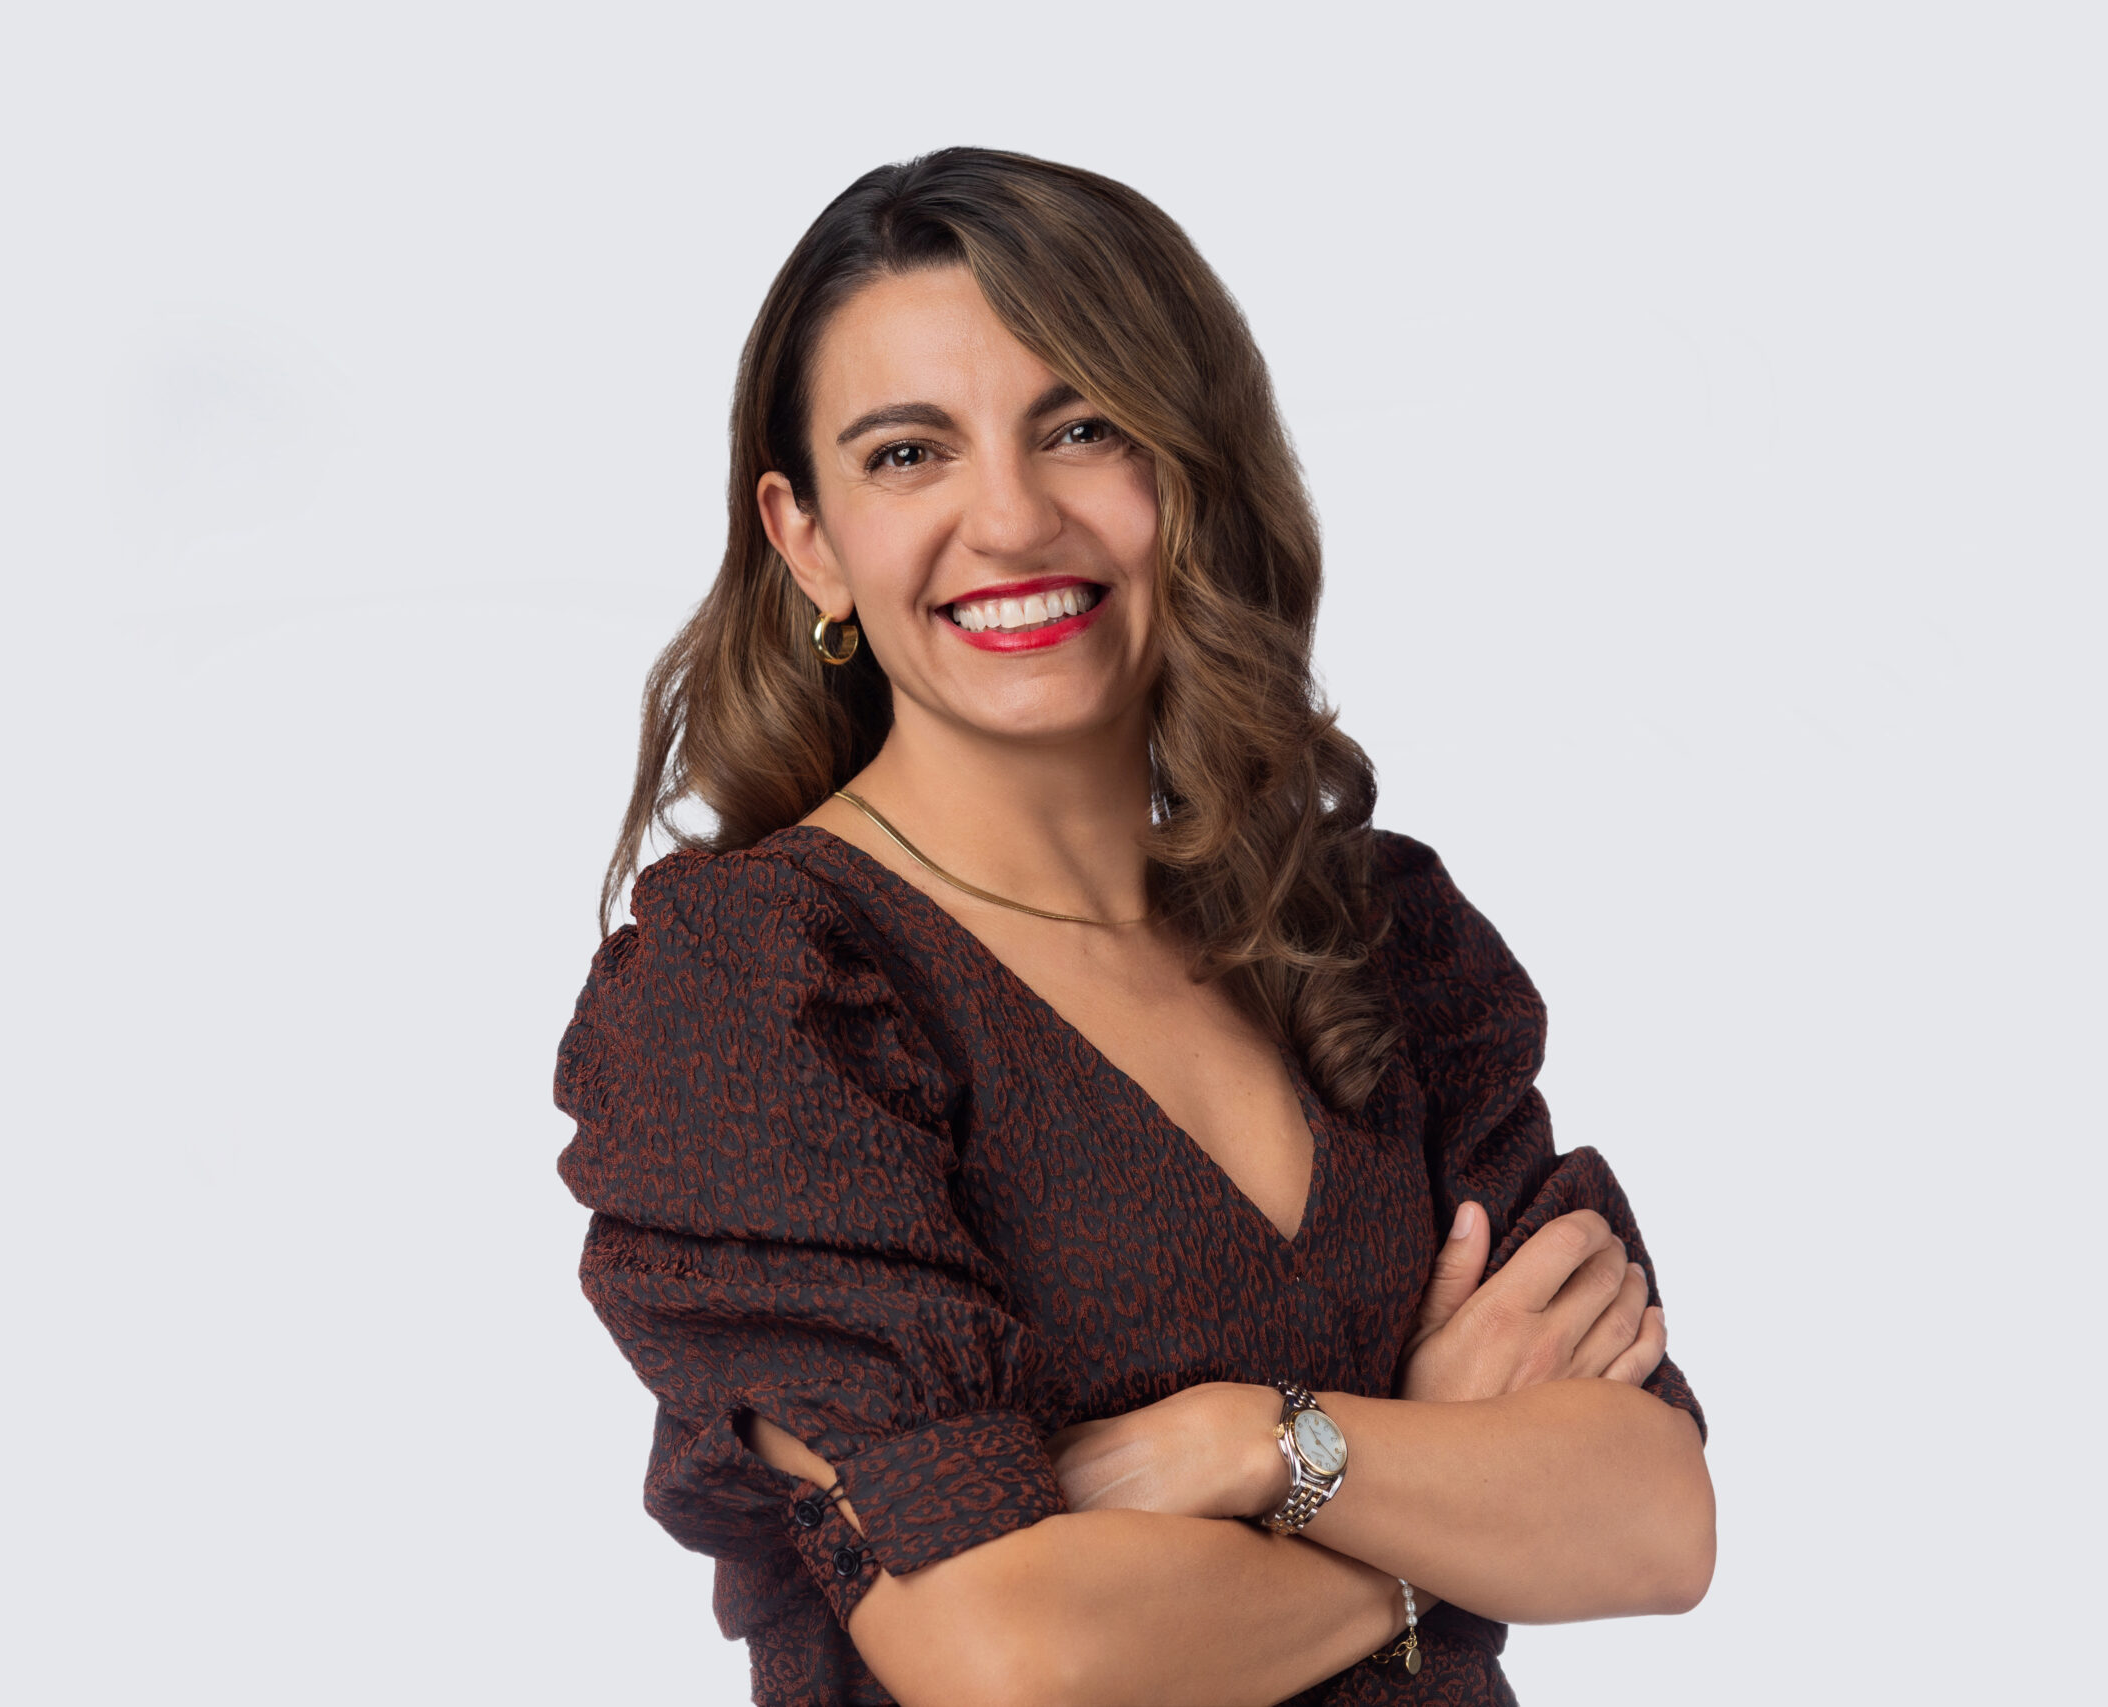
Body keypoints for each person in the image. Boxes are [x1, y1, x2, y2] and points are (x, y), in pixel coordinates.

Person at [555, 148, 1713, 1707]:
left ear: (1193, 472)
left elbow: (1652, 1520)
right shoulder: (761, 990)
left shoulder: (1369, 935)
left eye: (1083, 427)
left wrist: (1250, 1442)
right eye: (908, 455)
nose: (1011, 518)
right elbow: (1011, 1653)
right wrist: (1428, 1494)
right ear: (809, 538)